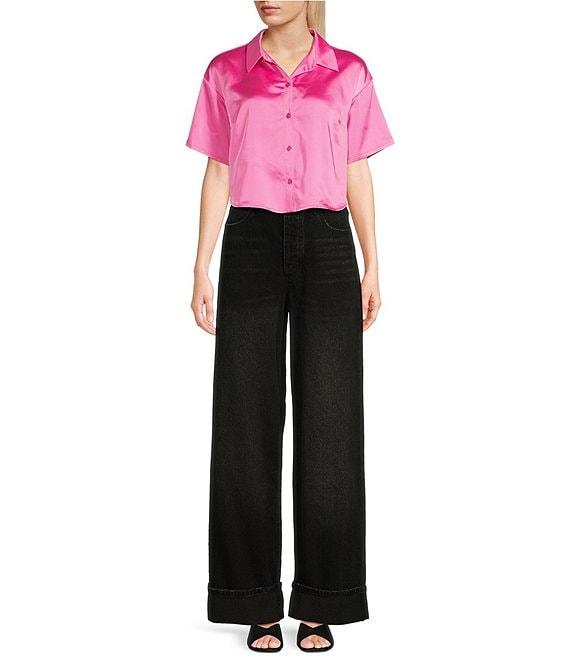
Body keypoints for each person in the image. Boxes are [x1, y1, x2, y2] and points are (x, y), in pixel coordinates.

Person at [186, 0, 394, 652]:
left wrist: (372, 263)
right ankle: (252, 599)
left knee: (331, 418)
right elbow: (218, 168)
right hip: (249, 243)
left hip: (328, 244)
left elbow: (356, 168)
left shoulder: (349, 73)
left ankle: (323, 599)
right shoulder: (225, 72)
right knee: (244, 420)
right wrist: (200, 266)